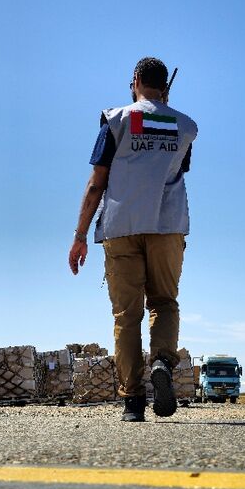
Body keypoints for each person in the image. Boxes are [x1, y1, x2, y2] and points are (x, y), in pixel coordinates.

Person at [69, 57, 198, 422]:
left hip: (121, 227)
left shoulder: (116, 119)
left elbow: (97, 182)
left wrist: (80, 235)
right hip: (167, 226)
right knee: (165, 303)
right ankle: (160, 362)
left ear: (136, 80)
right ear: (164, 86)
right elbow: (172, 168)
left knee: (127, 316)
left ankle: (132, 403)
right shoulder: (186, 126)